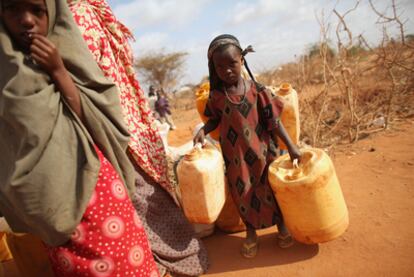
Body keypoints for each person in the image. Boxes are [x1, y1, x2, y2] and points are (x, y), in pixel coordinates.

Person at [0, 0, 159, 276]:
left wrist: (58, 69)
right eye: (12, 8)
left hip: (95, 193)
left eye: (37, 10)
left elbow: (98, 117)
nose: (26, 20)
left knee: (126, 265)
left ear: (52, 11)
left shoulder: (67, 52)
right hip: (48, 211)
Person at [67, 1, 208, 276]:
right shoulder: (86, 11)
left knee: (138, 191)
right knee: (142, 191)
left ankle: (168, 258)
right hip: (121, 117)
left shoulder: (80, 14)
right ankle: (167, 258)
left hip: (111, 120)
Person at [194, 34, 302, 258]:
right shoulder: (216, 96)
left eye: (232, 63)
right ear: (214, 68)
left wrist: (291, 146)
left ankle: (281, 228)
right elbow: (214, 120)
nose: (227, 70)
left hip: (263, 152)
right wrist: (202, 131)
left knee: (270, 189)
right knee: (242, 193)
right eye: (220, 66)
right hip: (236, 158)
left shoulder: (258, 90)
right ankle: (251, 233)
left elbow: (274, 121)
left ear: (242, 61)